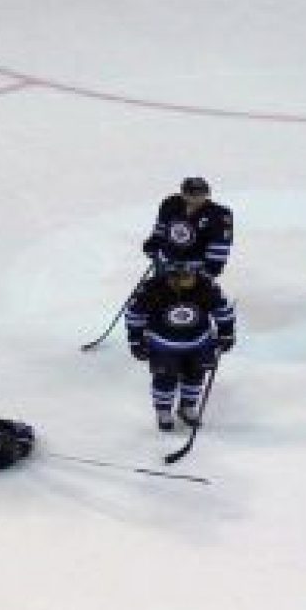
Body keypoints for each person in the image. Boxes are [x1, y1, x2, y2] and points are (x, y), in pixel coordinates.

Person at [125, 261, 235, 430]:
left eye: (190, 276)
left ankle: (187, 407)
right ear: (170, 276)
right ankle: (164, 410)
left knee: (195, 376)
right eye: (182, 277)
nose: (188, 280)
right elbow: (135, 314)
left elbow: (222, 310)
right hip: (163, 346)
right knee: (165, 378)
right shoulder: (152, 288)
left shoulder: (206, 285)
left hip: (199, 343)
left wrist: (226, 332)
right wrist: (135, 340)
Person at [142, 177, 234, 278]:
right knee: (151, 288)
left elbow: (220, 245)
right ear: (183, 193)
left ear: (207, 194)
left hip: (196, 269)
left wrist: (209, 271)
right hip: (166, 264)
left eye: (200, 194)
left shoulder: (219, 215)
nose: (195, 197)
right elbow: (160, 230)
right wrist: (153, 245)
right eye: (191, 193)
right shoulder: (170, 204)